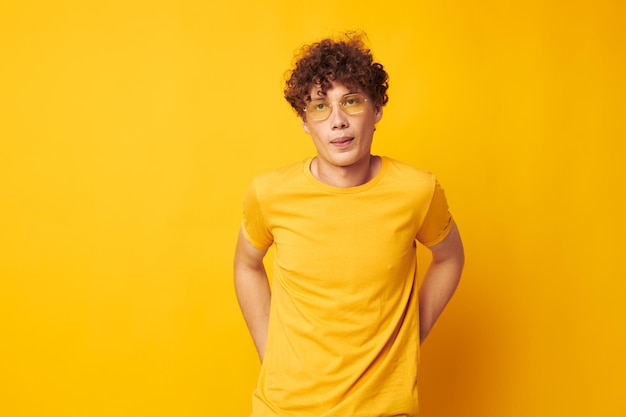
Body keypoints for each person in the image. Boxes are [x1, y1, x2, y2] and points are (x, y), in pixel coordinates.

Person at [234, 33, 464, 417]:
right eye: (320, 107)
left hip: (383, 409)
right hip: (285, 409)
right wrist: (270, 351)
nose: (337, 121)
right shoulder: (269, 193)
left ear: (376, 110)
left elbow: (450, 258)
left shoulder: (416, 191)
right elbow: (246, 264)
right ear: (306, 122)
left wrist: (408, 338)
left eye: (351, 101)